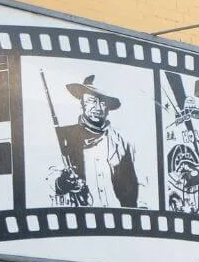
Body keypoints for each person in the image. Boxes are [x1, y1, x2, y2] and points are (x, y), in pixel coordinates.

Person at [53, 75, 140, 208]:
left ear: (108, 108)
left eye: (103, 103)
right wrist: (62, 182)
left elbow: (138, 186)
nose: (98, 107)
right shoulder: (63, 137)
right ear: (81, 102)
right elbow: (49, 180)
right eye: (92, 101)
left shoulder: (122, 142)